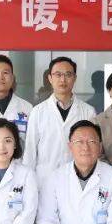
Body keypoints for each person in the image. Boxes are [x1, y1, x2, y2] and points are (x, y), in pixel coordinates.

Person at [24, 57, 97, 188]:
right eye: (58, 75)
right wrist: (28, 185)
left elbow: (93, 149)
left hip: (77, 182)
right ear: (50, 78)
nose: (63, 80)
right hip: (44, 183)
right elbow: (30, 153)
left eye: (68, 75)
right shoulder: (38, 111)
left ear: (74, 78)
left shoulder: (88, 111)